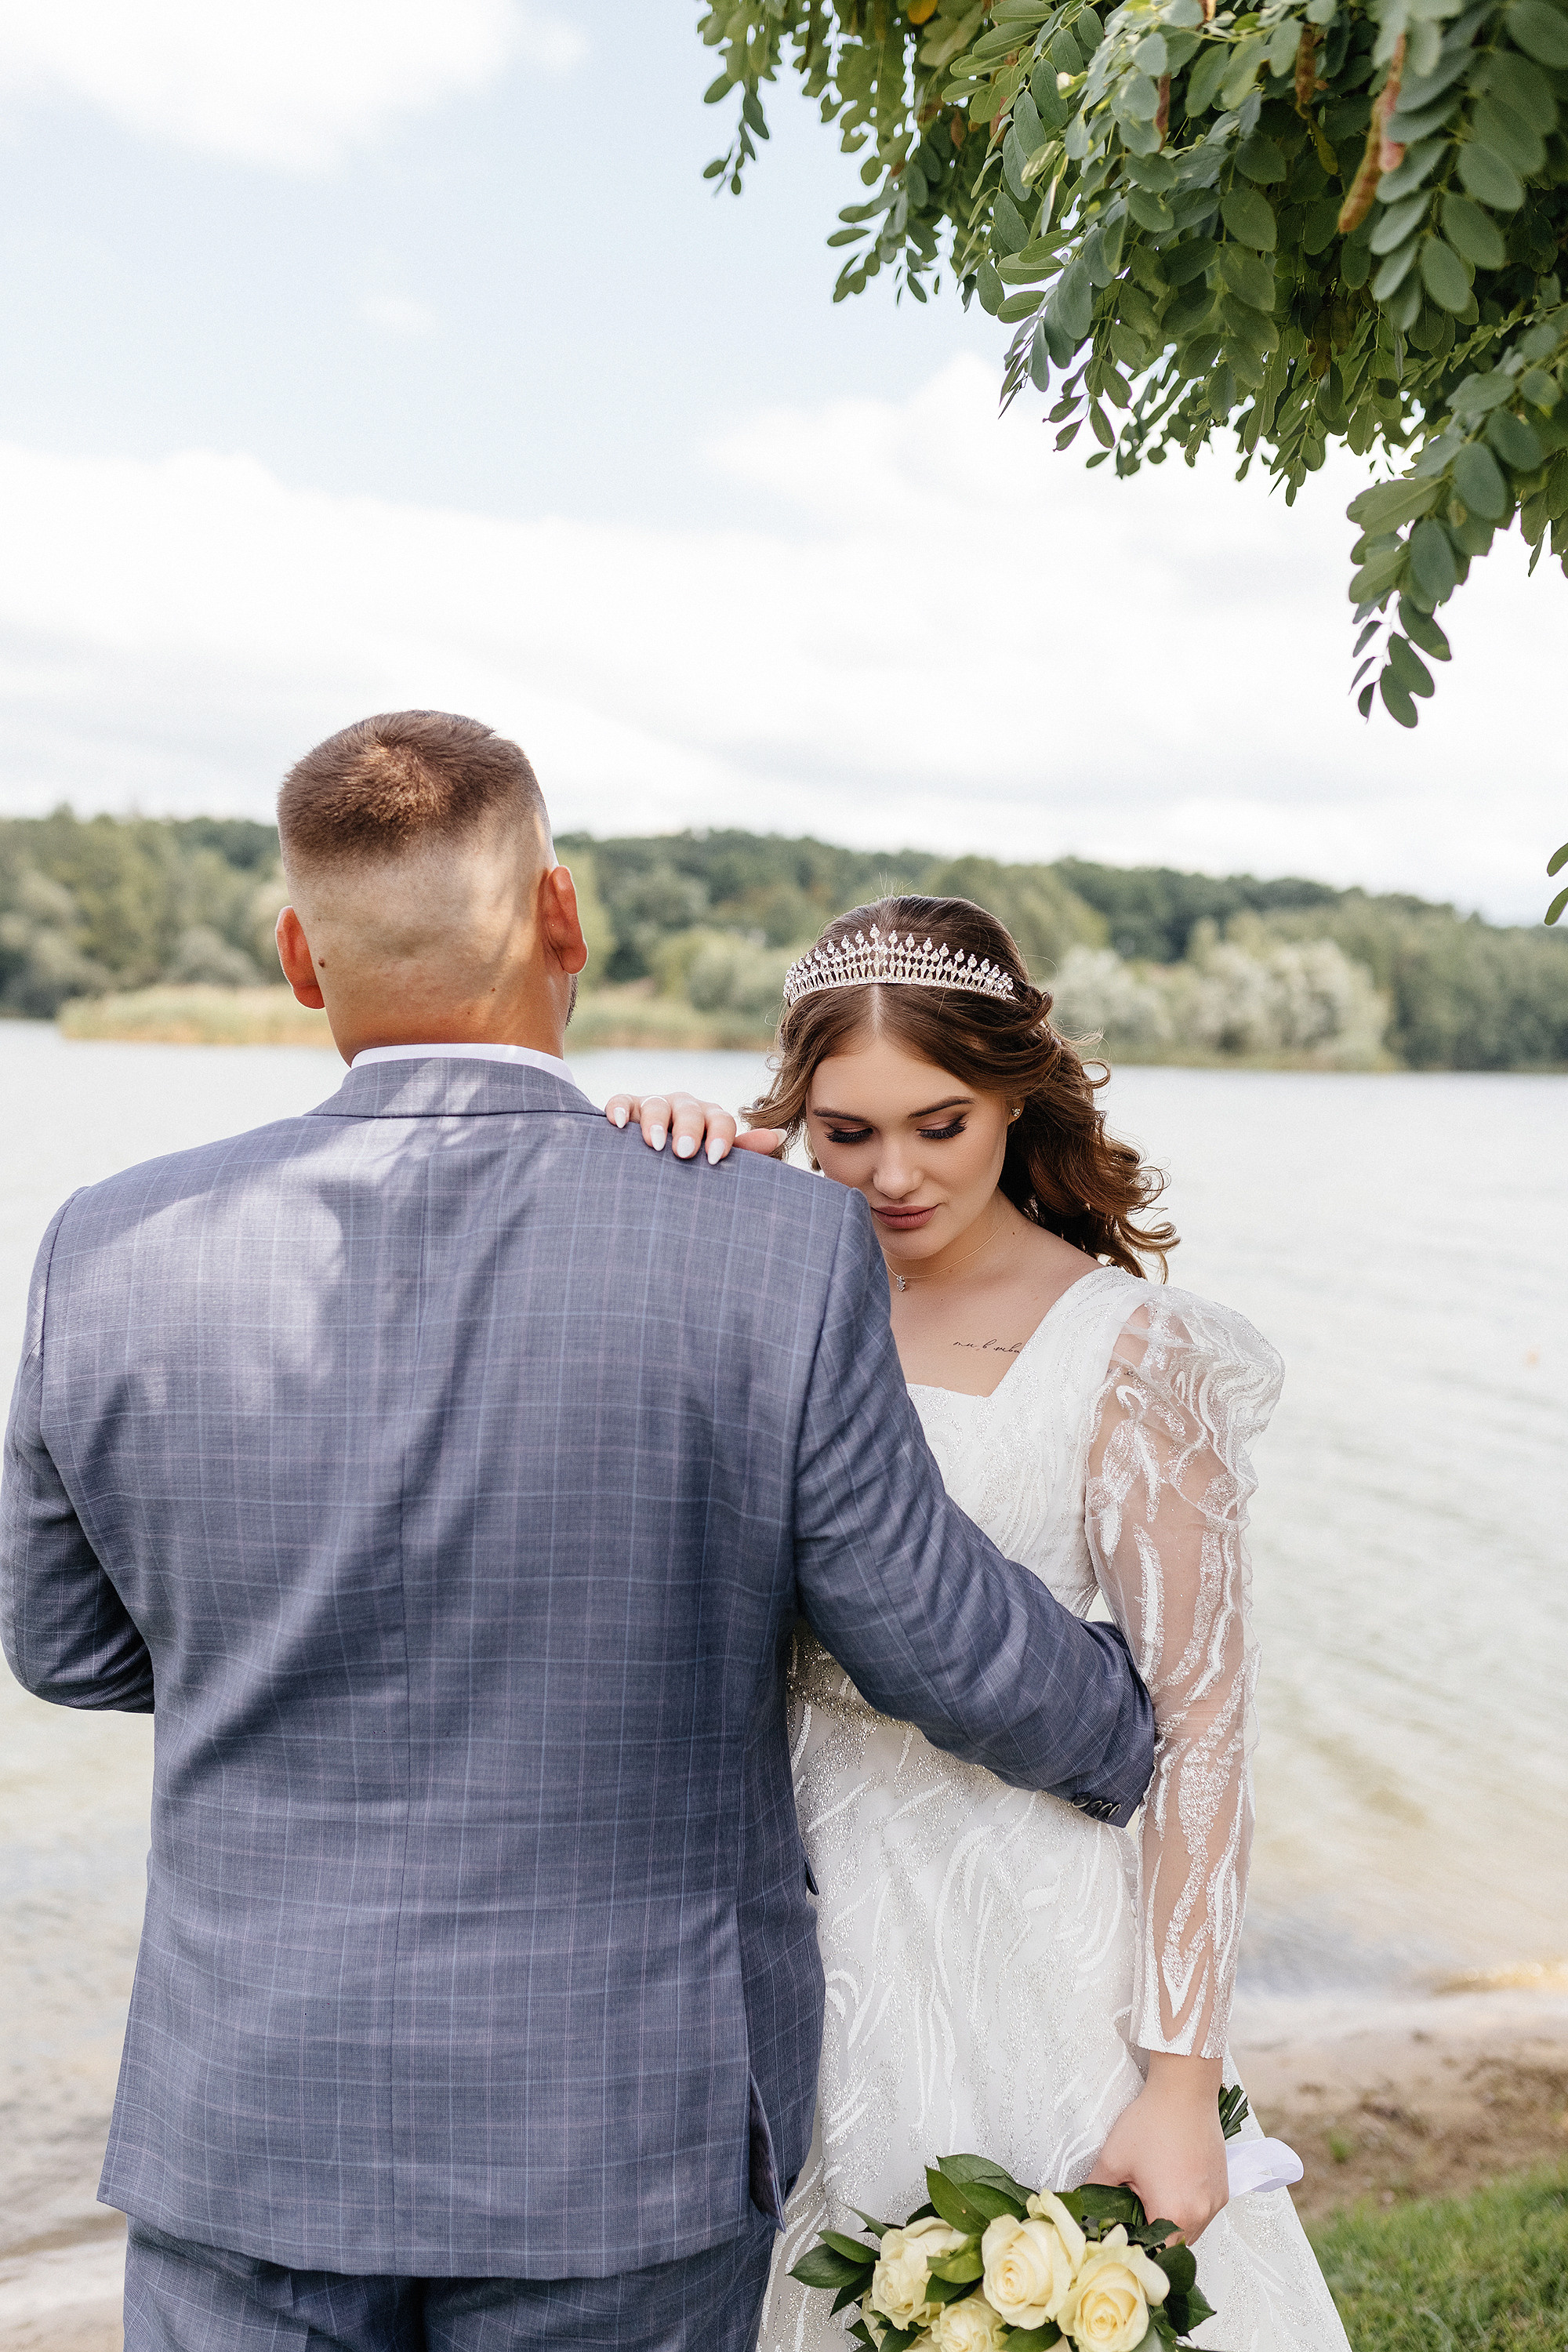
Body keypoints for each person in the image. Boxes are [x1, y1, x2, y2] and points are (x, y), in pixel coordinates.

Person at [0, 717, 1156, 2352]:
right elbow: (929, 1637)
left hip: (247, 2122)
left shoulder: (107, 1248)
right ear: (563, 918)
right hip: (623, 2133)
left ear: (295, 958)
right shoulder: (769, 1247)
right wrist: (1129, 1722)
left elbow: (65, 1646)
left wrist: (271, 1652)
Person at [606, 900, 1352, 2352]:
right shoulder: (754, 1293)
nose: (892, 1175)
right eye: (843, 1133)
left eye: (940, 1126)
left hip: (1033, 1940)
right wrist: (648, 1169)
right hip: (784, 1936)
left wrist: (1182, 2078)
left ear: (1017, 1094)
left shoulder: (1128, 1350)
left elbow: (1202, 1727)